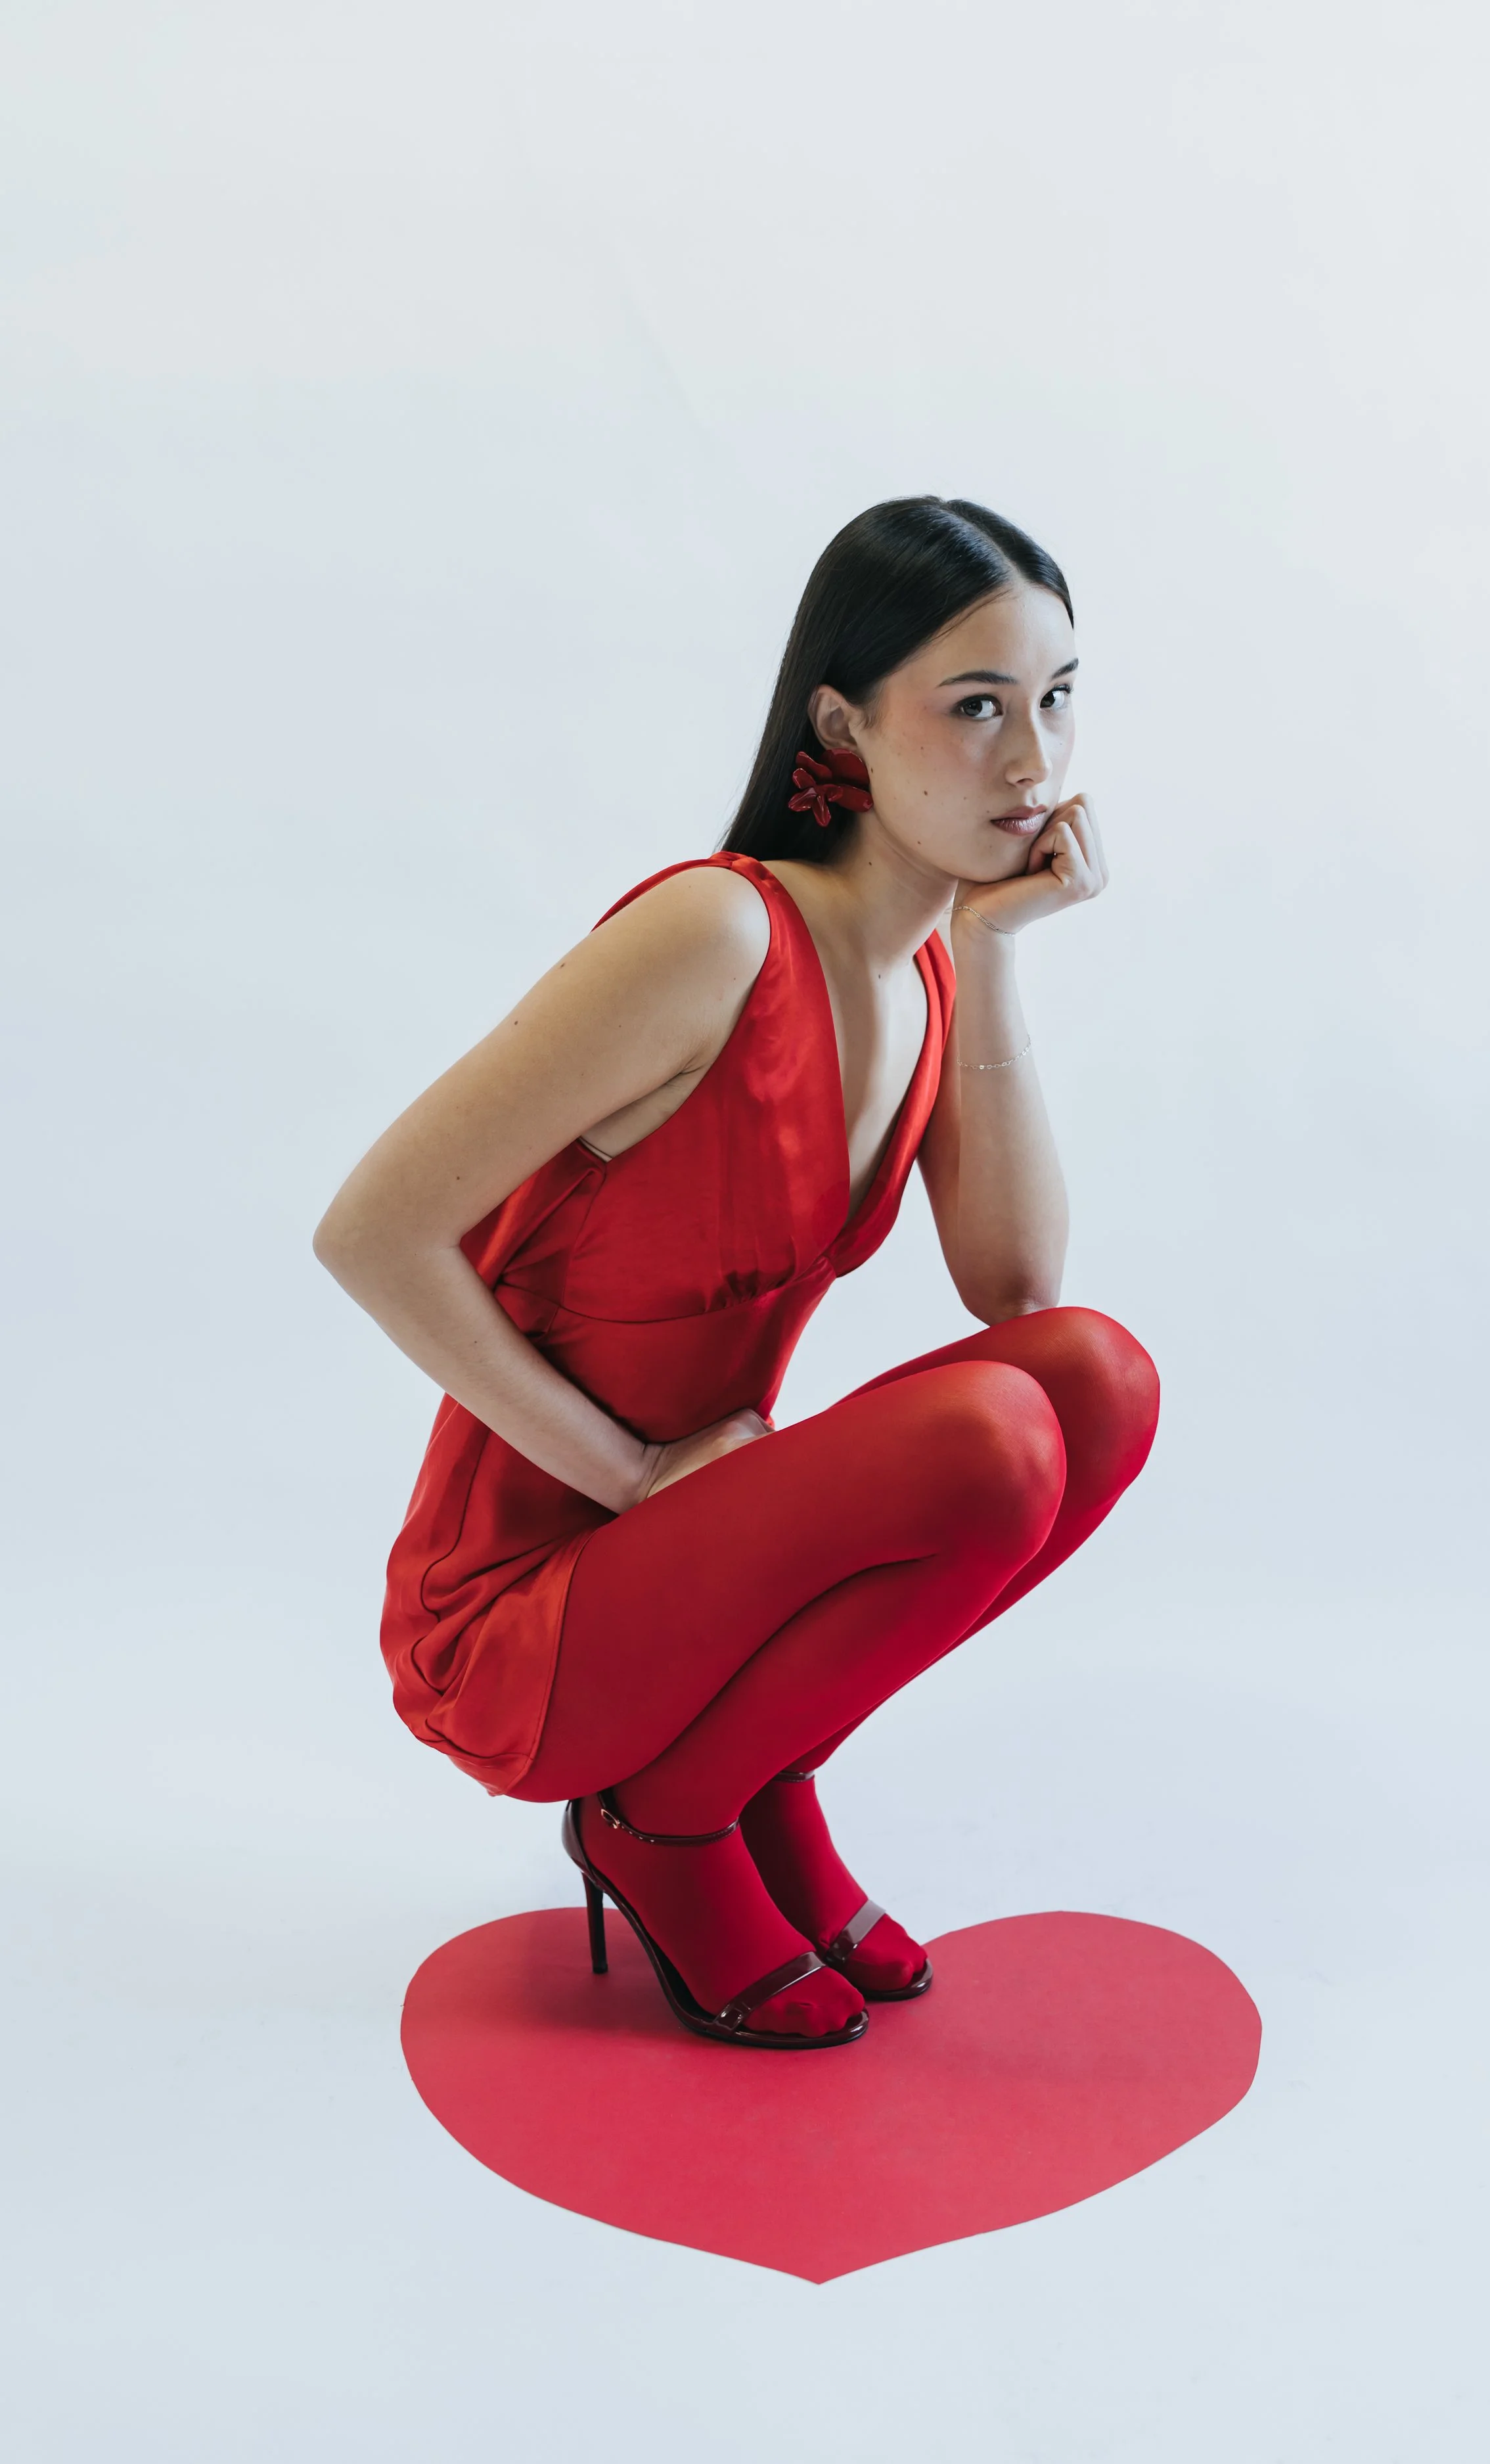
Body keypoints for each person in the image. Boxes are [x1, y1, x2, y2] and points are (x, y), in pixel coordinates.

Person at [314, 496, 1160, 2051]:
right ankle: (664, 1822)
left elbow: (1018, 1284)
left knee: (1092, 1384)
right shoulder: (714, 934)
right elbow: (371, 1233)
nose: (1033, 766)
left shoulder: (913, 973)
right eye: (972, 708)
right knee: (985, 1445)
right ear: (841, 720)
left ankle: (748, 1780)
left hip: (697, 1572)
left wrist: (991, 952)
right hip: (523, 1615)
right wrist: (638, 1476)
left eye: (1053, 699)